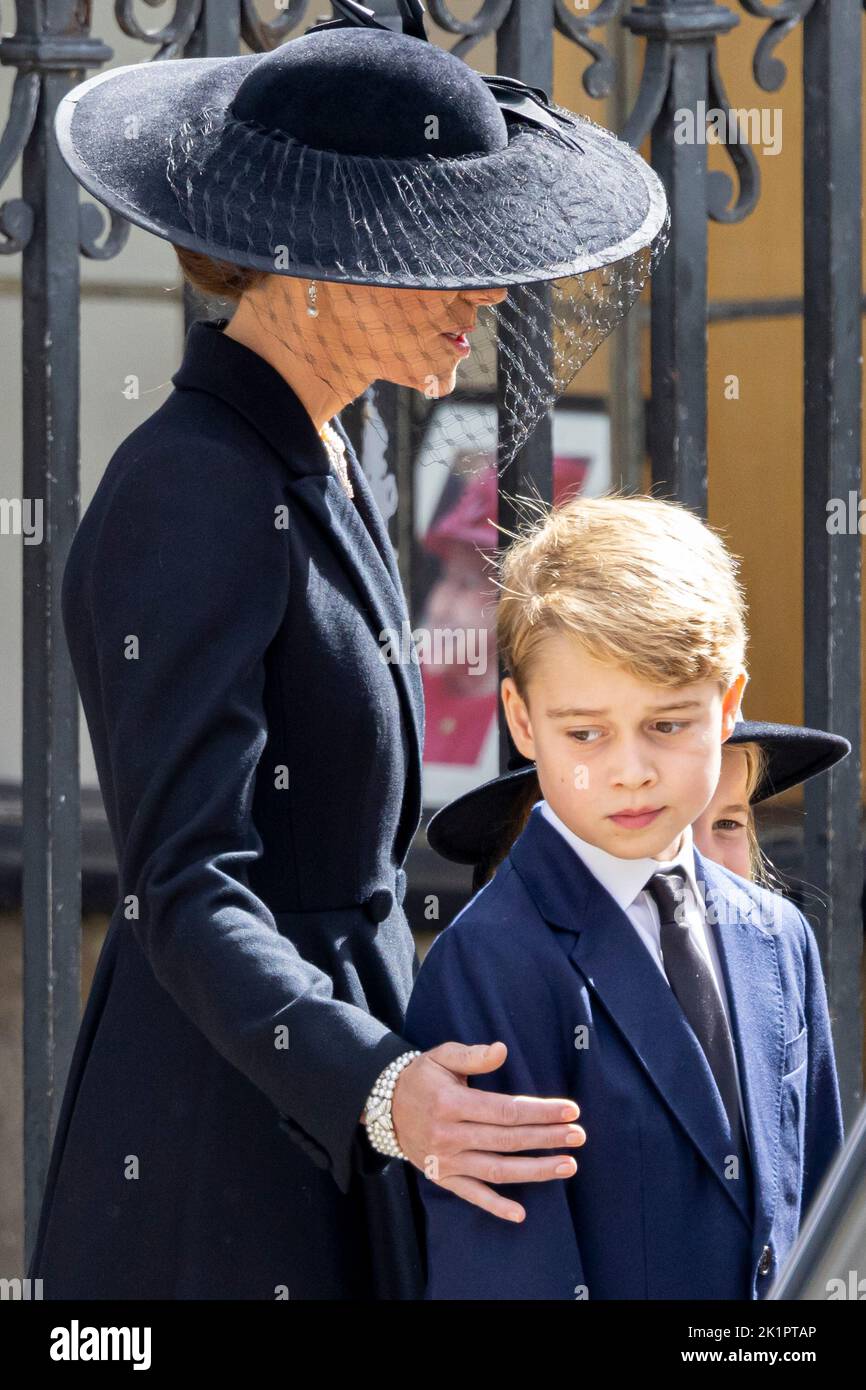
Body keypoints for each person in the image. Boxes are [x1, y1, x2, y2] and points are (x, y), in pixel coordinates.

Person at [33, 10, 668, 1298]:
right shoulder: (190, 488)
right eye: (441, 255)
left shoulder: (325, 455)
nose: (484, 295)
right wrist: (377, 1088)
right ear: (313, 263)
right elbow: (188, 885)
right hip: (221, 1160)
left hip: (336, 1109)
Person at [404, 492, 846, 1299]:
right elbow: (509, 1276)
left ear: (729, 704)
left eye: (669, 725)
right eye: (586, 733)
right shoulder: (491, 963)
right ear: (523, 721)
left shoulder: (780, 936)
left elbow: (817, 1228)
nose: (632, 770)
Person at [426, 715, 851, 891]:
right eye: (666, 824)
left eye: (728, 825)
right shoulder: (501, 979)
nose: (699, 858)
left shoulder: (777, 954)